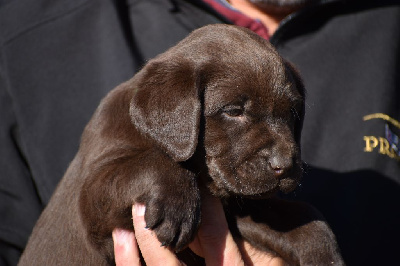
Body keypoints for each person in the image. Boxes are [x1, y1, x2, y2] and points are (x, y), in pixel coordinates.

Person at [0, 0, 399, 265]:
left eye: (288, 116)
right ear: (174, 112)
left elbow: (237, 220)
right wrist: (166, 177)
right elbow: (102, 197)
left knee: (313, 233)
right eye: (235, 112)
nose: (284, 154)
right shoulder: (43, 33)